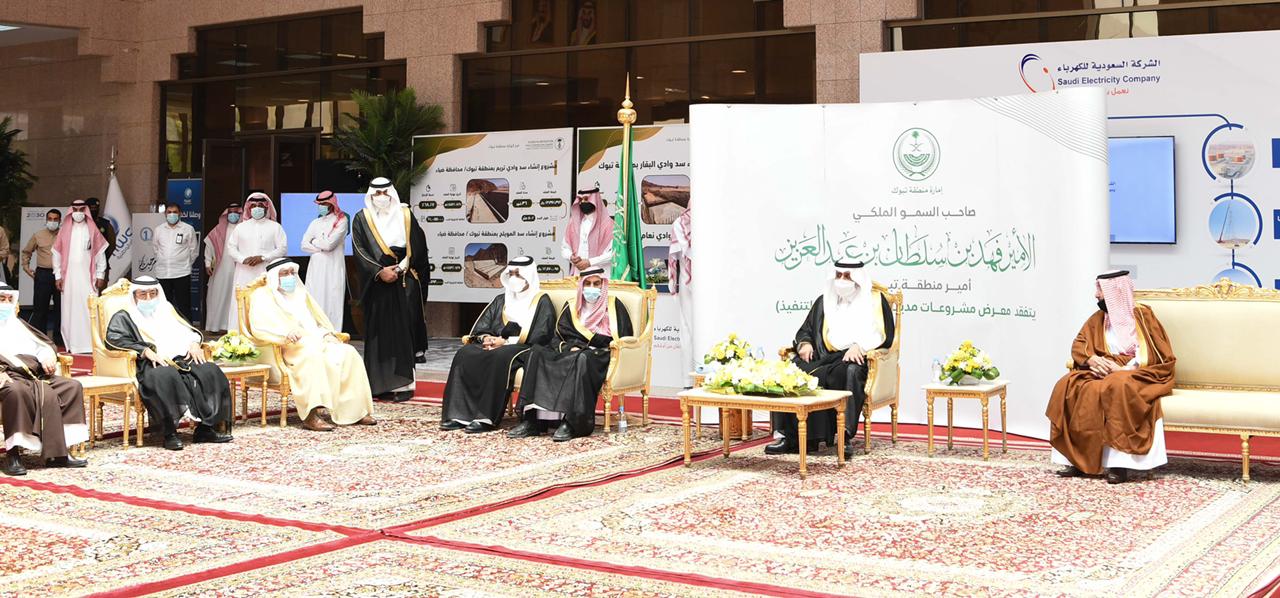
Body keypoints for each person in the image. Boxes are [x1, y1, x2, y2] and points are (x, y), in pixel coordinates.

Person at [1047, 270, 1175, 484]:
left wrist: (1123, 369)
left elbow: (1156, 354)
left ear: (1116, 292)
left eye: (1100, 290)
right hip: (1101, 372)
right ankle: (1077, 459)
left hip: (1137, 373)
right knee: (1069, 384)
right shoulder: (1098, 319)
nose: (1096, 295)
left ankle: (1119, 464)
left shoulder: (1143, 317)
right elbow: (1079, 344)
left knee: (1117, 385)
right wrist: (1091, 360)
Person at [768, 261, 895, 455]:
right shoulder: (824, 301)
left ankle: (844, 436)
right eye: (838, 275)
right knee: (790, 371)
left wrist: (860, 346)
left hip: (855, 358)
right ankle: (791, 437)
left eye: (847, 275)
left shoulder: (876, 301)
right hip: (823, 356)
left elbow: (885, 335)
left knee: (847, 372)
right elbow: (806, 329)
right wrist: (805, 344)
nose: (841, 280)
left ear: (858, 278)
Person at [247, 259, 376, 431]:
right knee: (312, 355)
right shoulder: (262, 296)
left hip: (314, 340)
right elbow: (259, 327)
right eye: (284, 273)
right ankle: (310, 415)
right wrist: (285, 334)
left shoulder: (300, 294)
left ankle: (355, 412)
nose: (290, 276)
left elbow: (314, 322)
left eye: (292, 273)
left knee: (348, 352)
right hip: (288, 347)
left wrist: (326, 334)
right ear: (274, 276)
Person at [105, 277, 233, 450]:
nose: (149, 298)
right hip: (151, 363)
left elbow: (188, 330)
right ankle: (169, 433)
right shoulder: (124, 316)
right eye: (143, 294)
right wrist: (144, 350)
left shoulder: (167, 309)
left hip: (181, 359)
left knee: (210, 370)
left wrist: (194, 344)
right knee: (165, 375)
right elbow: (114, 339)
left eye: (153, 293)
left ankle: (205, 429)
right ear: (134, 295)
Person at [510, 269, 633, 442]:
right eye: (587, 284)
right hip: (571, 351)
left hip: (598, 354)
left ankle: (573, 423)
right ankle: (532, 421)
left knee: (582, 359)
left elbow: (622, 338)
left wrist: (583, 346)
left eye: (596, 284)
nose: (592, 288)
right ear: (581, 286)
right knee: (536, 352)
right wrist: (571, 347)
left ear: (603, 285)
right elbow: (559, 336)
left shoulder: (613, 306)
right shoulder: (572, 307)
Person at [441, 256, 556, 433]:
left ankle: (485, 417)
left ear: (529, 276)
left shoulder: (541, 301)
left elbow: (541, 335)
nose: (514, 278)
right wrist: (486, 338)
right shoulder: (501, 300)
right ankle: (459, 415)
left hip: (524, 347)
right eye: (511, 274)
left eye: (518, 274)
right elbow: (482, 327)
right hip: (495, 344)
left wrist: (505, 342)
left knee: (499, 356)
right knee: (465, 353)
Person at [351, 177, 430, 401]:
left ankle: (404, 386)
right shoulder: (362, 218)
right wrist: (380, 272)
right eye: (376, 193)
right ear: (370, 195)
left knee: (404, 332)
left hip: (405, 280)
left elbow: (418, 245)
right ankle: (380, 385)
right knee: (380, 334)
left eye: (385, 192)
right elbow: (359, 249)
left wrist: (401, 267)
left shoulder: (405, 214)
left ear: (392, 193)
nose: (381, 197)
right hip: (378, 283)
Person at [0, 284, 88, 476]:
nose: (6, 304)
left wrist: (47, 357)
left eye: (9, 299)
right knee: (16, 392)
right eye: (1, 299)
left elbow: (42, 345)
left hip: (34, 375)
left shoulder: (19, 325)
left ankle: (59, 451)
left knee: (72, 387)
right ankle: (13, 454)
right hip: (7, 376)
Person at [52, 200, 108, 354]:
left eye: (81, 209)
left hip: (88, 278)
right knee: (69, 310)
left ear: (86, 211)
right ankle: (73, 344)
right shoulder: (64, 231)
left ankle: (90, 344)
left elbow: (100, 254)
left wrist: (100, 274)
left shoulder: (93, 230)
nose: (78, 213)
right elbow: (56, 254)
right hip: (69, 278)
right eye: (75, 210)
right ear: (71, 211)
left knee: (89, 307)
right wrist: (58, 276)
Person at [225, 192, 286, 319]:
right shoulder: (240, 227)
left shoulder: (275, 227)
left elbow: (282, 249)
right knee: (243, 304)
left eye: (260, 205)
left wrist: (263, 258)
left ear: (266, 207)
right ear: (249, 208)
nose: (256, 208)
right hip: (244, 272)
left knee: (266, 304)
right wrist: (243, 259)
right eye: (253, 205)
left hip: (266, 272)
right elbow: (231, 248)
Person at [300, 190, 348, 330]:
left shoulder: (341, 221)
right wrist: (320, 247)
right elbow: (303, 245)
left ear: (332, 204)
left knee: (332, 300)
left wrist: (314, 242)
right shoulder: (315, 222)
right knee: (314, 298)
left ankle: (332, 334)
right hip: (315, 268)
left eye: (325, 204)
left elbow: (329, 245)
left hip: (333, 267)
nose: (321, 206)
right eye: (320, 204)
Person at [152, 203, 198, 321]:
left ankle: (188, 329)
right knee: (163, 304)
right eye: (169, 212)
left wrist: (184, 264)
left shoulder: (188, 229)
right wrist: (165, 260)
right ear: (165, 214)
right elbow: (156, 249)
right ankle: (165, 328)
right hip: (163, 273)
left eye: (175, 212)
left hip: (181, 273)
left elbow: (194, 251)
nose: (172, 214)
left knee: (184, 305)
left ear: (180, 214)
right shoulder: (159, 230)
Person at [21, 209, 62, 343]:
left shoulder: (65, 235)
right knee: (40, 308)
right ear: (46, 220)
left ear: (60, 221)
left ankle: (59, 339)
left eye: (55, 219)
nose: (52, 221)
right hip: (43, 274)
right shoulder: (38, 235)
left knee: (60, 308)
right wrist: (26, 267)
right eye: (50, 219)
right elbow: (27, 251)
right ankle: (40, 339)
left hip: (61, 275)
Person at [203, 203, 242, 333]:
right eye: (230, 212)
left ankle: (233, 327)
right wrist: (208, 263)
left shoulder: (244, 229)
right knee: (218, 296)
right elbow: (209, 246)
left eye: (236, 212)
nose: (233, 215)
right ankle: (215, 326)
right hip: (221, 269)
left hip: (239, 269)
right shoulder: (218, 229)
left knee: (235, 297)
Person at [562, 188, 613, 275]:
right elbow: (564, 248)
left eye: (586, 199)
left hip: (600, 275)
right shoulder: (573, 223)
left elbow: (613, 253)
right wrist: (571, 257)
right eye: (580, 199)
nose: (582, 202)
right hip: (579, 273)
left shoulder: (608, 224)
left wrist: (590, 262)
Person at [84, 197, 117, 290]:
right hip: (83, 265)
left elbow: (112, 244)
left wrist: (102, 257)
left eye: (95, 208)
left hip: (101, 265)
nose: (93, 210)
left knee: (101, 293)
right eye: (91, 208)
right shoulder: (80, 224)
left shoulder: (105, 224)